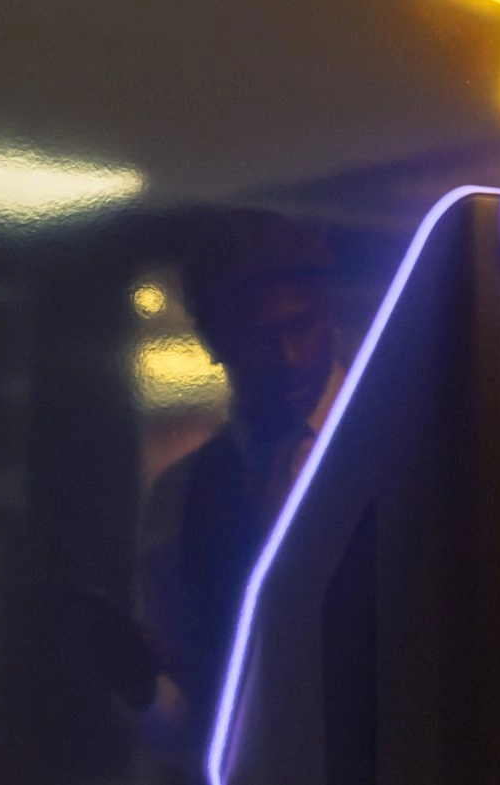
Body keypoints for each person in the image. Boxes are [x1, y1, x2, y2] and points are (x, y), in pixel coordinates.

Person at [132, 208, 346, 769]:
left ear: (329, 316)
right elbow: (191, 718)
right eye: (260, 338)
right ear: (214, 341)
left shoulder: (402, 438)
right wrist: (143, 688)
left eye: (302, 325)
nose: (290, 357)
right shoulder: (182, 493)